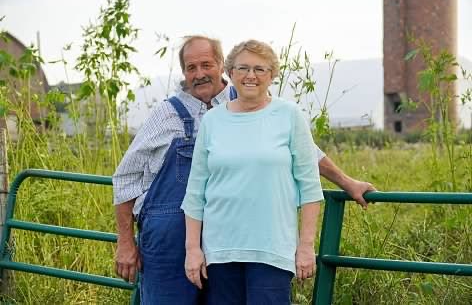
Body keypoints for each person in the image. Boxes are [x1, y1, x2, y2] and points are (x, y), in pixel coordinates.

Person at [112, 35, 375, 304]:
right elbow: (126, 178)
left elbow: (305, 155)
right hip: (173, 240)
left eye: (206, 65)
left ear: (221, 65)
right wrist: (125, 242)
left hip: (233, 238)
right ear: (184, 73)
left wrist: (346, 182)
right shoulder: (165, 115)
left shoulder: (256, 101)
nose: (200, 74)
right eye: (191, 68)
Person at [181, 39, 324, 304]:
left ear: (272, 75)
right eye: (243, 68)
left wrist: (305, 246)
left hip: (272, 251)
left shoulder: (290, 116)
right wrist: (193, 249)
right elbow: (195, 191)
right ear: (230, 72)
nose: (250, 76)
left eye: (260, 69)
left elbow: (310, 188)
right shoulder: (213, 120)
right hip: (221, 251)